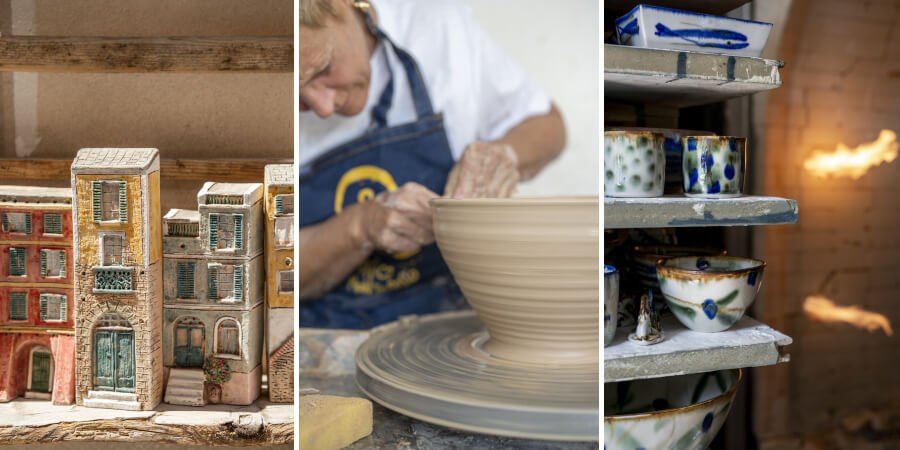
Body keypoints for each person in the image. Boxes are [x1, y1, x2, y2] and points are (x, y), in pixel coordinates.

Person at [299, 0, 566, 328]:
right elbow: (263, 275)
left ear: (339, 5)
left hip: (451, 313)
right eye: (297, 100)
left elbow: (548, 126)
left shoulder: (436, 25)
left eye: (323, 67)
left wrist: (502, 156)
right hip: (324, 332)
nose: (323, 108)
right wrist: (360, 227)